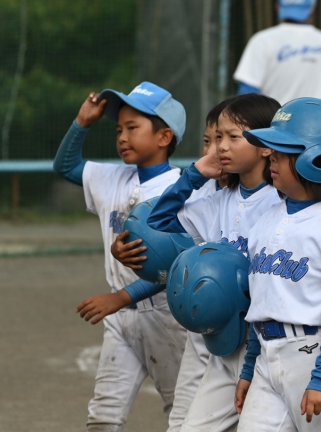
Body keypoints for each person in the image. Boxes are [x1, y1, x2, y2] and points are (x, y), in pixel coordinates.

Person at [52, 82, 189, 431]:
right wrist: (82, 123)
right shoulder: (112, 177)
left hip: (167, 318)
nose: (122, 137)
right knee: (103, 417)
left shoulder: (179, 191)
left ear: (164, 137)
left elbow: (177, 267)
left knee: (184, 417)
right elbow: (65, 166)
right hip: (121, 319)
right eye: (118, 130)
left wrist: (122, 296)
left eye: (132, 128)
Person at [235, 98, 321, 431]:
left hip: (316, 355)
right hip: (267, 357)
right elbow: (262, 303)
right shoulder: (266, 220)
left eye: (283, 151)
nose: (271, 156)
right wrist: (249, 368)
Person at [146, 93, 283, 432]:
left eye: (233, 136)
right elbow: (159, 220)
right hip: (226, 343)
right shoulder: (219, 201)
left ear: (266, 146)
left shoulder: (281, 202)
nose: (221, 146)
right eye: (218, 136)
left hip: (269, 344)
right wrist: (194, 175)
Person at [108, 97, 233, 432]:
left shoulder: (267, 201)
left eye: (228, 139)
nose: (216, 150)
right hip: (201, 331)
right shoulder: (200, 195)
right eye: (208, 141)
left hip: (250, 334)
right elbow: (162, 229)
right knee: (183, 423)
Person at [233, 0, 321, 105]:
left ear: (277, 6)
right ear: (312, 9)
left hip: (273, 117)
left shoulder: (261, 40)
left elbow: (247, 94)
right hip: (315, 117)